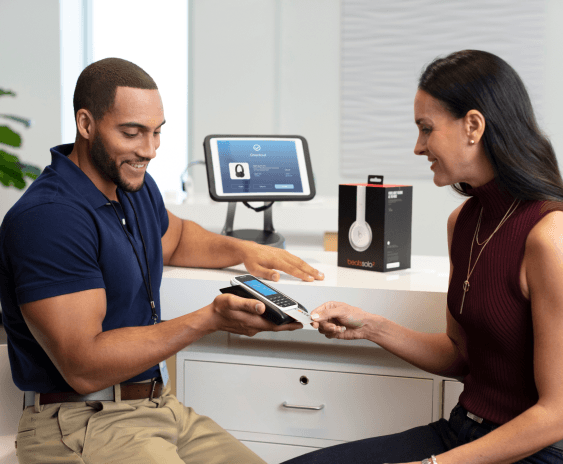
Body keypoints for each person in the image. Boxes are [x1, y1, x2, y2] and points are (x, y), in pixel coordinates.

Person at [0, 57, 324, 464]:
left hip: (158, 408)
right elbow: (83, 365)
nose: (149, 150)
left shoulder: (133, 188)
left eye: (156, 133)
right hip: (81, 421)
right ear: (86, 124)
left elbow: (180, 237)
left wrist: (243, 250)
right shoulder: (49, 218)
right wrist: (209, 319)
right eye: (132, 133)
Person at [283, 50, 563, 464]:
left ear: (473, 125)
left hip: (531, 452)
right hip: (461, 433)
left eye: (426, 129)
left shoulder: (549, 237)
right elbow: (459, 354)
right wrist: (370, 326)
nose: (418, 147)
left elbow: (556, 416)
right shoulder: (462, 222)